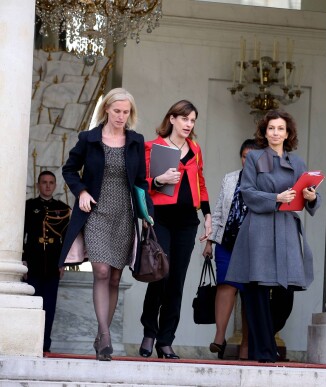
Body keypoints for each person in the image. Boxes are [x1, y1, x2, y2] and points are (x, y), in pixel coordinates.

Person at [59, 88, 153, 361]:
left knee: (114, 276)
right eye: (117, 111)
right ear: (107, 110)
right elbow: (69, 169)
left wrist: (147, 213)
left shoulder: (135, 141)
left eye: (126, 112)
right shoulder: (88, 139)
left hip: (124, 214)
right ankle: (105, 334)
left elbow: (141, 183)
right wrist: (81, 191)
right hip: (96, 213)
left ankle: (101, 336)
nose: (121, 116)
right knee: (100, 270)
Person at [226, 110, 321, 363]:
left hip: (287, 229)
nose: (275, 133)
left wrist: (312, 197)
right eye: (271, 128)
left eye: (280, 129)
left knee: (285, 295)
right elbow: (246, 192)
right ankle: (265, 352)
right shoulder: (254, 158)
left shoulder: (298, 162)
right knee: (257, 290)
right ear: (264, 132)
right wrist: (275, 198)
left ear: (288, 133)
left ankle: (263, 342)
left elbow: (306, 194)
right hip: (259, 228)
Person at [139, 100, 212, 359]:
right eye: (184, 119)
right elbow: (141, 185)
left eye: (192, 120)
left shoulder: (195, 149)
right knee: (160, 275)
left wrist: (208, 215)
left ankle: (166, 340)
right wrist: (159, 180)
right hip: (160, 218)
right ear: (172, 119)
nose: (188, 124)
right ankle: (149, 332)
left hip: (186, 221)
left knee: (177, 281)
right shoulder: (152, 147)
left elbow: (200, 183)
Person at [202, 139, 257, 360]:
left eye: (252, 157)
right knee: (225, 285)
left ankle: (245, 344)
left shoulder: (266, 181)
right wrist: (209, 241)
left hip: (253, 246)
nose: (248, 161)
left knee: (249, 293)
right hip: (226, 242)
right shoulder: (230, 178)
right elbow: (217, 212)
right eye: (245, 156)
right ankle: (219, 337)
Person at [23, 170, 71, 353]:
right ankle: (29, 344)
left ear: (55, 185)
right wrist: (23, 261)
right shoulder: (28, 206)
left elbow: (66, 239)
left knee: (49, 308)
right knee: (32, 305)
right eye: (44, 182)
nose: (48, 186)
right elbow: (22, 235)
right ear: (38, 185)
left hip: (52, 263)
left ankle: (45, 345)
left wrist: (63, 263)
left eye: (51, 182)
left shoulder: (63, 208)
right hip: (33, 262)